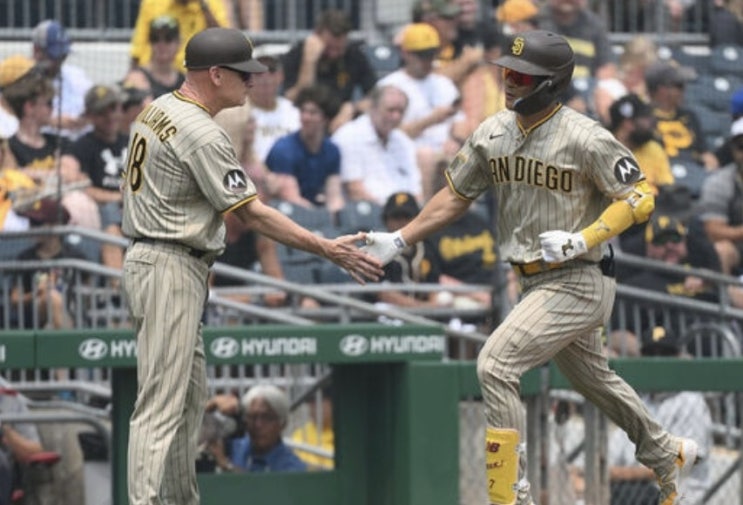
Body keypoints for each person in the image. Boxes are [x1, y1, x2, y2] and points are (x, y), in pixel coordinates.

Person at [361, 30, 700, 505]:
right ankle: (666, 451)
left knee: (495, 364)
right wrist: (401, 238)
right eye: (506, 71)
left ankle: (509, 494)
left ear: (550, 83)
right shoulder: (493, 130)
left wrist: (584, 237)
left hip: (581, 276)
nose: (509, 81)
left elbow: (641, 196)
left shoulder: (585, 135)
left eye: (521, 75)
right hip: (533, 281)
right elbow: (455, 195)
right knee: (593, 379)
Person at [120, 27, 381, 505]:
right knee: (160, 403)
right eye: (243, 74)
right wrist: (325, 247)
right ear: (215, 74)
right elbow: (251, 212)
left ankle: (178, 498)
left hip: (162, 259)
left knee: (188, 398)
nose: (253, 82)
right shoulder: (201, 129)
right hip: (168, 263)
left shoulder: (157, 108)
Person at [608, 326, 712, 505]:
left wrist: (617, 474)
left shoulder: (691, 400)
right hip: (630, 490)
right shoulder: (640, 401)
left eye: (664, 354)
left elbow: (676, 464)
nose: (657, 360)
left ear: (678, 358)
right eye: (650, 354)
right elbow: (612, 453)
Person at [378, 23, 462, 201]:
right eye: (422, 55)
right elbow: (391, 134)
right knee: (426, 156)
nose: (428, 60)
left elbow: (461, 123)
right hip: (407, 154)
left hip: (446, 153)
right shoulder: (390, 86)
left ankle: (463, 224)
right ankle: (424, 215)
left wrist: (456, 140)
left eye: (431, 54)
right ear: (406, 53)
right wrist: (432, 119)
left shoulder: (444, 84)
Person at [62, 84, 130, 272]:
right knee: (111, 225)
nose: (110, 116)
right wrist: (118, 198)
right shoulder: (81, 146)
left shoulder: (133, 140)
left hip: (137, 208)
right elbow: (82, 187)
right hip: (104, 215)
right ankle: (119, 293)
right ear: (90, 115)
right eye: (102, 112)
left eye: (114, 108)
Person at [281, 9, 377, 133]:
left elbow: (375, 97)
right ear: (316, 36)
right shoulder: (296, 55)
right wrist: (309, 62)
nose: (333, 54)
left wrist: (353, 107)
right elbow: (291, 99)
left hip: (341, 124)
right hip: (304, 124)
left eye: (339, 49)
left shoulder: (354, 56)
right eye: (329, 48)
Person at [331, 84, 422, 205]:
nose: (396, 116)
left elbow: (416, 191)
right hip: (368, 214)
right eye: (391, 110)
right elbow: (354, 190)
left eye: (401, 111)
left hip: (405, 212)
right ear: (373, 108)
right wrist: (390, 212)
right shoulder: (349, 136)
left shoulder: (404, 141)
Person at [264, 84, 345, 213]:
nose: (305, 117)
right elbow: (291, 198)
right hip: (284, 213)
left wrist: (335, 216)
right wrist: (321, 218)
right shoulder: (284, 149)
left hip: (313, 211)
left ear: (326, 118)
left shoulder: (332, 150)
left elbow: (334, 195)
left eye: (313, 113)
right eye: (303, 111)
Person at [645, 61, 717, 171]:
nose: (684, 90)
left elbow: (705, 154)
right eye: (679, 86)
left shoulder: (689, 116)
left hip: (692, 171)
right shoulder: (643, 117)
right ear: (662, 90)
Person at [31, 20, 93, 140]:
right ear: (37, 50)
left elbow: (96, 101)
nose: (60, 61)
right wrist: (49, 121)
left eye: (63, 56)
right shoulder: (23, 80)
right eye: (55, 56)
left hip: (77, 144)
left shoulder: (76, 76)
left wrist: (86, 118)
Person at [129, 0, 232, 73]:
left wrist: (203, 6)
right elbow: (138, 47)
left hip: (195, 76)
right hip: (156, 74)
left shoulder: (211, 3)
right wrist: (133, 76)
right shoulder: (152, 3)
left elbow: (223, 40)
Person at [698, 116, 743, 276]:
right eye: (741, 146)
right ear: (732, 149)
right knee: (721, 249)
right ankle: (728, 298)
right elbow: (714, 231)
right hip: (738, 248)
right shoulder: (719, 182)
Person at [225, 385, 307, 472]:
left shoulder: (293, 468)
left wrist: (226, 466)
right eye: (252, 417)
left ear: (282, 423)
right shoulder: (233, 448)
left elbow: (256, 485)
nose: (258, 425)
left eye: (267, 417)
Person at [608, 93, 674, 196]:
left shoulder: (654, 148)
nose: (651, 123)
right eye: (645, 118)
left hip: (653, 207)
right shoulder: (603, 150)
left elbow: (667, 186)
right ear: (628, 124)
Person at [249, 47, 301, 163]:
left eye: (271, 70)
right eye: (258, 72)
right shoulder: (238, 113)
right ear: (247, 78)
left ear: (280, 76)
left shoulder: (294, 111)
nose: (265, 77)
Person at [123, 15, 186, 99]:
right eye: (155, 39)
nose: (161, 44)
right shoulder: (137, 78)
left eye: (168, 39)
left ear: (179, 43)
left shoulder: (184, 80)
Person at [289, 387, 334, 470]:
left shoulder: (346, 432)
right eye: (310, 403)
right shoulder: (301, 434)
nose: (312, 407)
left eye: (318, 402)